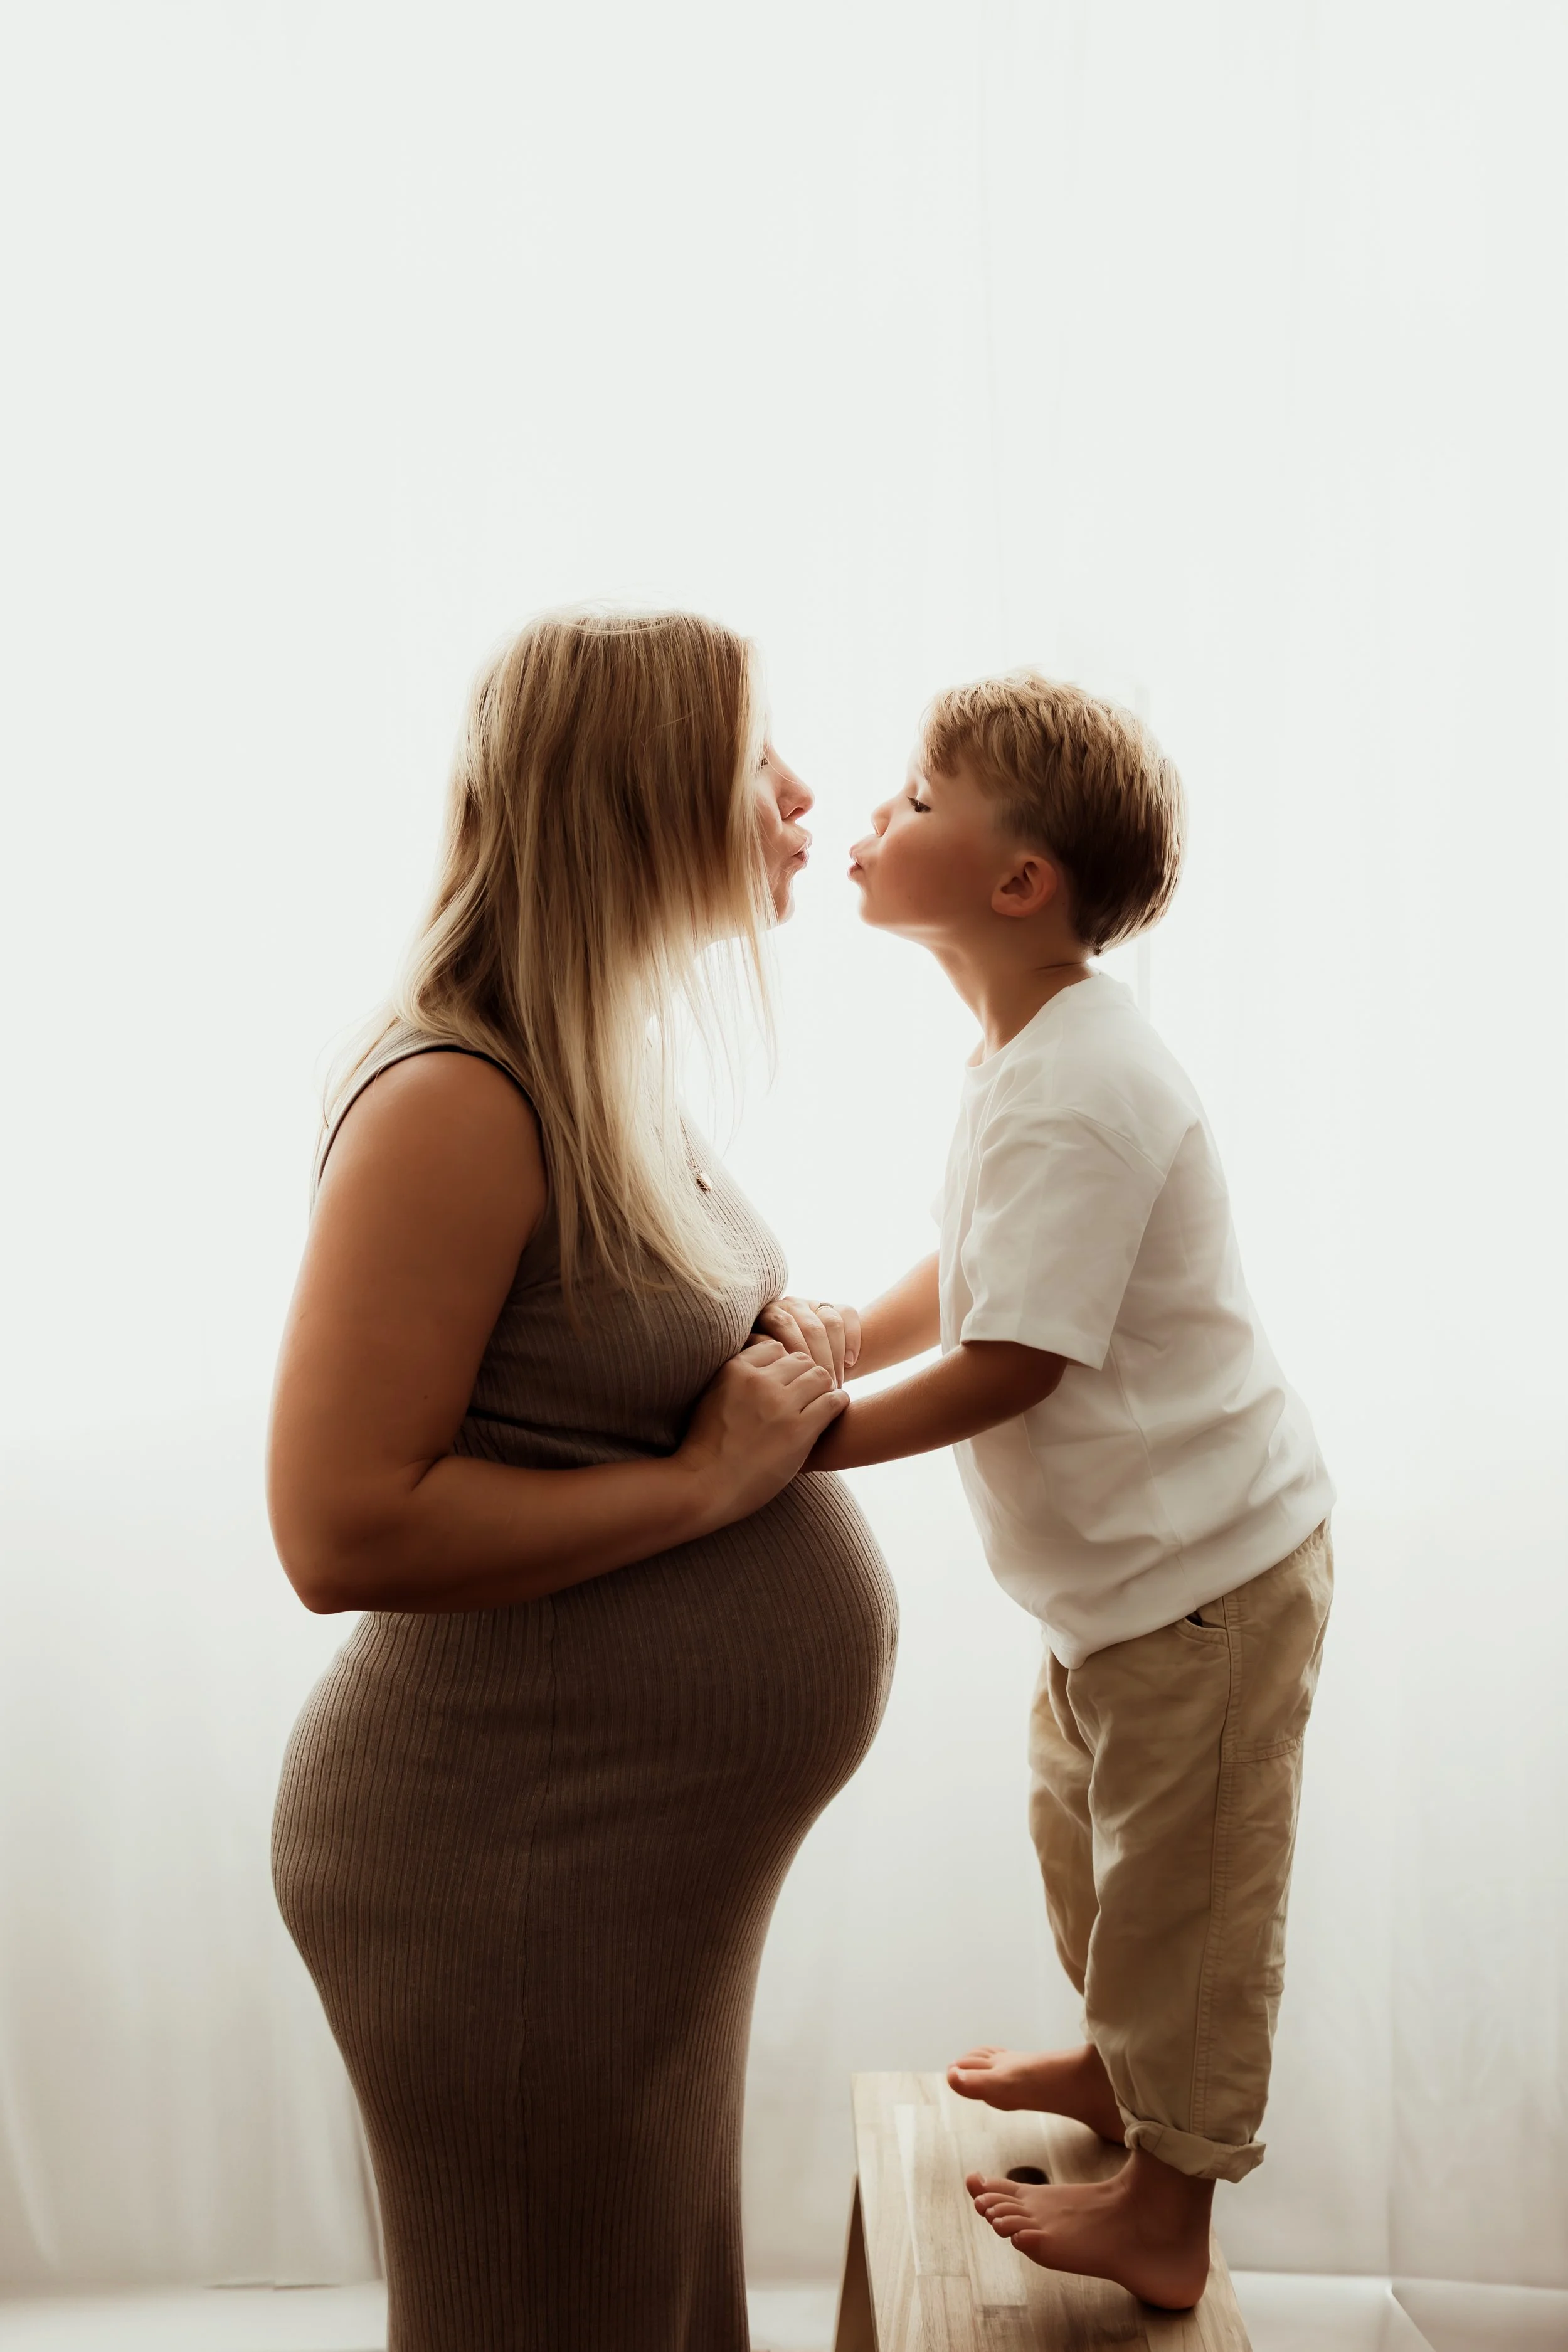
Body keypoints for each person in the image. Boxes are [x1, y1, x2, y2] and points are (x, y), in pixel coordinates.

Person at [267, 609, 897, 2352]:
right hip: (511, 1874)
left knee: (646, 2303)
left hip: (626, 1877)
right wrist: (706, 1485)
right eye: (752, 755)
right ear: (634, 799)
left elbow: (578, 1365)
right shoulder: (457, 1097)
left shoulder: (593, 1046)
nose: (798, 793)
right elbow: (340, 1524)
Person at [802, 671, 1333, 2311]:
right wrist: (838, 1338)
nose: (867, 819)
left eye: (909, 800)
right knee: (1091, 1853)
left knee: (1184, 1900)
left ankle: (1166, 2210)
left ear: (1018, 881)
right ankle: (1120, 2074)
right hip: (1120, 1587)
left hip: (1204, 1580)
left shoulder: (1081, 1081)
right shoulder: (1023, 1053)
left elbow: (1013, 1356)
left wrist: (805, 1440)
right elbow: (972, 1265)